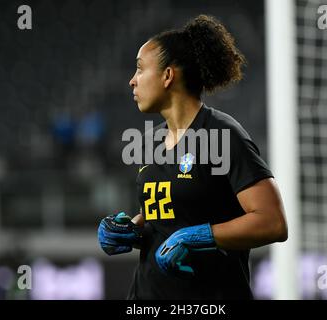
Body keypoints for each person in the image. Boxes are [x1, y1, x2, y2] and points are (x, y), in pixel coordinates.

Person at [98, 14, 288, 300]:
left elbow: (272, 222)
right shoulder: (149, 141)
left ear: (167, 76)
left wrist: (200, 236)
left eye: (140, 69)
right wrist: (130, 229)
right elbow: (167, 219)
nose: (132, 81)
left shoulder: (223, 134)